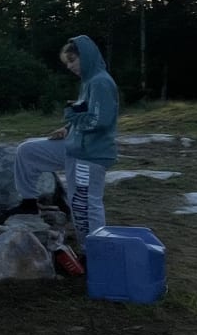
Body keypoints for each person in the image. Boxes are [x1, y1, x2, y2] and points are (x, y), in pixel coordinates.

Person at [9, 36, 119, 258]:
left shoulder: (100, 82)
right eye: (66, 63)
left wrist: (72, 116)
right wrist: (67, 128)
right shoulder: (88, 82)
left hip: (90, 154)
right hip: (74, 146)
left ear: (85, 56)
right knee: (27, 151)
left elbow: (100, 121)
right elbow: (85, 115)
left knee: (85, 203)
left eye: (72, 60)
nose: (70, 66)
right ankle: (29, 202)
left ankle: (95, 252)